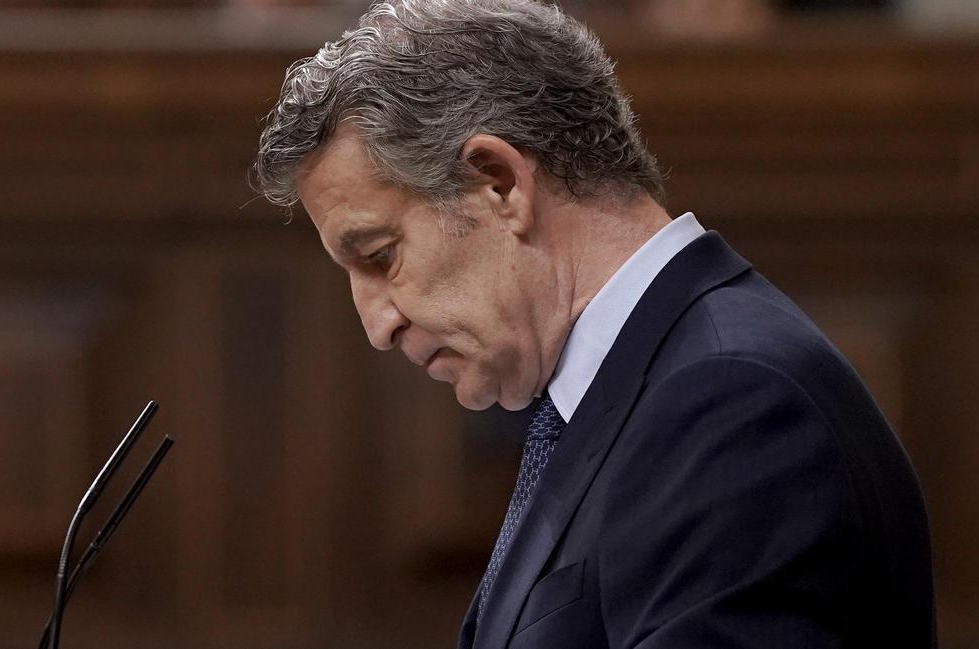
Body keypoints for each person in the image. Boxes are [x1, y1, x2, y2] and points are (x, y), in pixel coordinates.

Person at [251, 1, 936, 647]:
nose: (377, 323)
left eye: (380, 255)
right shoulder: (625, 394)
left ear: (500, 183)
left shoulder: (733, 404)